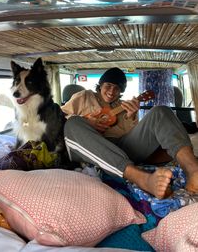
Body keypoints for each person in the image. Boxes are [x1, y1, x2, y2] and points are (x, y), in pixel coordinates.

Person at [61, 67, 198, 199]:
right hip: (88, 146)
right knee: (73, 123)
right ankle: (142, 179)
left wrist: (131, 116)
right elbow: (60, 116)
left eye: (117, 88)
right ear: (101, 85)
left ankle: (193, 171)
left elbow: (134, 138)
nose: (111, 91)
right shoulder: (84, 96)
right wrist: (86, 121)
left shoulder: (125, 106)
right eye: (108, 85)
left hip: (119, 148)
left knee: (161, 111)